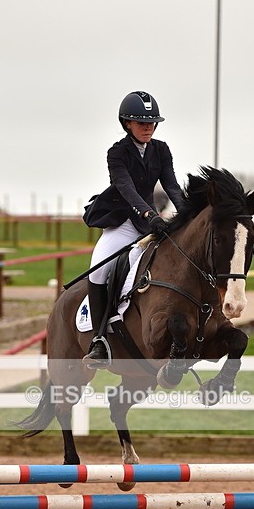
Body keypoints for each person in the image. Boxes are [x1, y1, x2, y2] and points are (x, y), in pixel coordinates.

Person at [82, 90, 185, 367]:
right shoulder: (117, 153)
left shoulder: (161, 150)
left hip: (149, 222)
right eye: (141, 123)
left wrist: (187, 211)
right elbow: (125, 188)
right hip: (124, 224)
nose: (148, 127)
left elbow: (171, 184)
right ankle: (99, 340)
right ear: (127, 123)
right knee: (100, 269)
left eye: (152, 122)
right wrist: (149, 213)